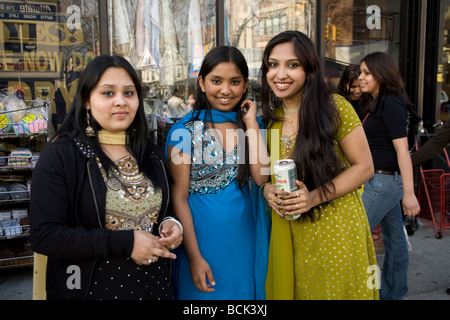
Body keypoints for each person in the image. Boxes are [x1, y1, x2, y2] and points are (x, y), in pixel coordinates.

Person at [30, 55, 183, 300]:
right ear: (87, 100)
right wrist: (127, 242)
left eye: (129, 93)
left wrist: (173, 225)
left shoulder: (149, 152)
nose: (120, 102)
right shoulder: (63, 155)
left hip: (154, 289)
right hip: (90, 289)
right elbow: (45, 236)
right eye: (108, 93)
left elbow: (165, 208)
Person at [260, 30, 378, 300]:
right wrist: (267, 191)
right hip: (291, 233)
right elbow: (267, 177)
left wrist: (314, 196)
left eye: (292, 65)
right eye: (273, 65)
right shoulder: (271, 118)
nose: (280, 74)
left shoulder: (334, 107)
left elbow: (364, 167)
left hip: (335, 227)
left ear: (309, 70)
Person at [165, 46, 271, 300]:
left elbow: (261, 178)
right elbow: (178, 198)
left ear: (245, 85)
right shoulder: (183, 132)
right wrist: (194, 257)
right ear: (201, 83)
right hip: (203, 246)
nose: (225, 90)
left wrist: (250, 124)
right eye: (216, 81)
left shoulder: (254, 126)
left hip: (247, 245)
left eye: (234, 82)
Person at [358, 51, 420, 300]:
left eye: (366, 73)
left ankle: (369, 292)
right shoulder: (379, 101)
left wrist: (409, 193)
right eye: (360, 72)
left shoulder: (391, 102)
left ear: (381, 74)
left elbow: (402, 150)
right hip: (383, 181)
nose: (360, 77)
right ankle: (394, 294)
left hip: (383, 182)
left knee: (356, 235)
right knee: (394, 239)